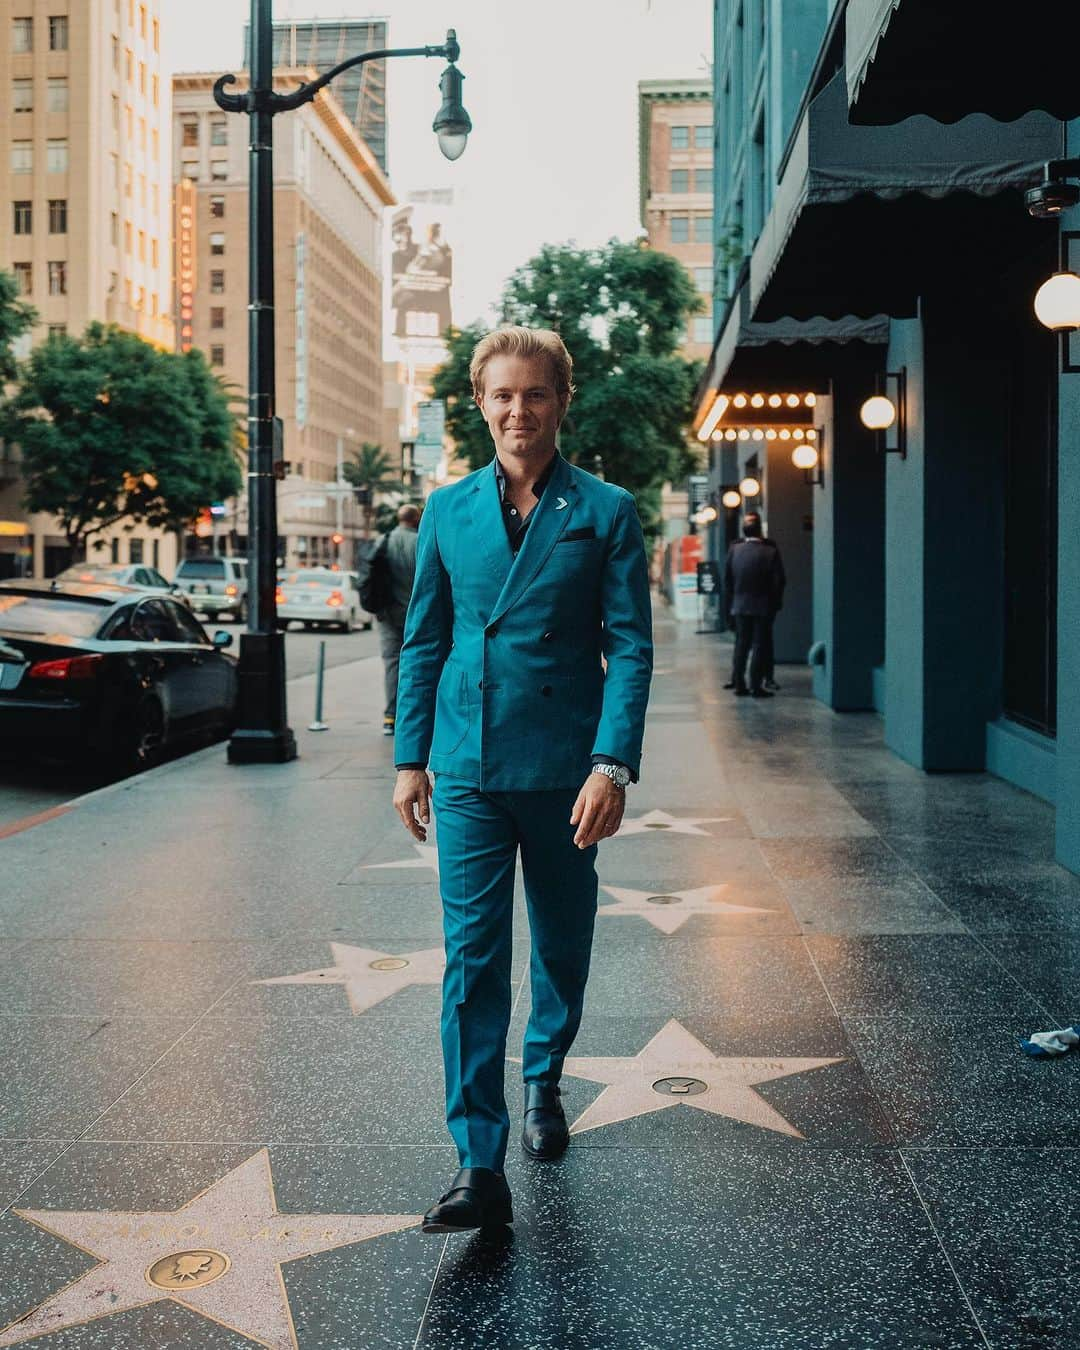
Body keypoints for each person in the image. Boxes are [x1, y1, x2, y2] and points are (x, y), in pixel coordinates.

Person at [392, 326, 653, 1236]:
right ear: (480, 403)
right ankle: (476, 1158)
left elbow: (631, 644)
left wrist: (611, 765)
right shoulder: (447, 510)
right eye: (501, 395)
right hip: (464, 765)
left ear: (560, 401)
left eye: (533, 394)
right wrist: (408, 757)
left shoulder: (606, 510)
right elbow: (426, 639)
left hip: (564, 769)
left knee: (560, 941)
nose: (517, 411)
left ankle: (544, 1072)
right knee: (471, 960)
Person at [723, 511, 785, 699]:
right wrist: (775, 603)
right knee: (759, 645)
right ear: (760, 530)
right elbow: (779, 581)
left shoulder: (735, 550)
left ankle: (739, 684)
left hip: (740, 604)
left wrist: (731, 604)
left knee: (741, 644)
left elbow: (727, 581)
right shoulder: (770, 551)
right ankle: (756, 686)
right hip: (763, 606)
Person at [377, 505, 420, 737]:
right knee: (418, 663)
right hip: (417, 612)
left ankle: (390, 717)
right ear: (416, 519)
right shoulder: (421, 542)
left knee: (393, 663)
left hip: (388, 614)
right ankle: (414, 718)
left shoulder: (384, 541)